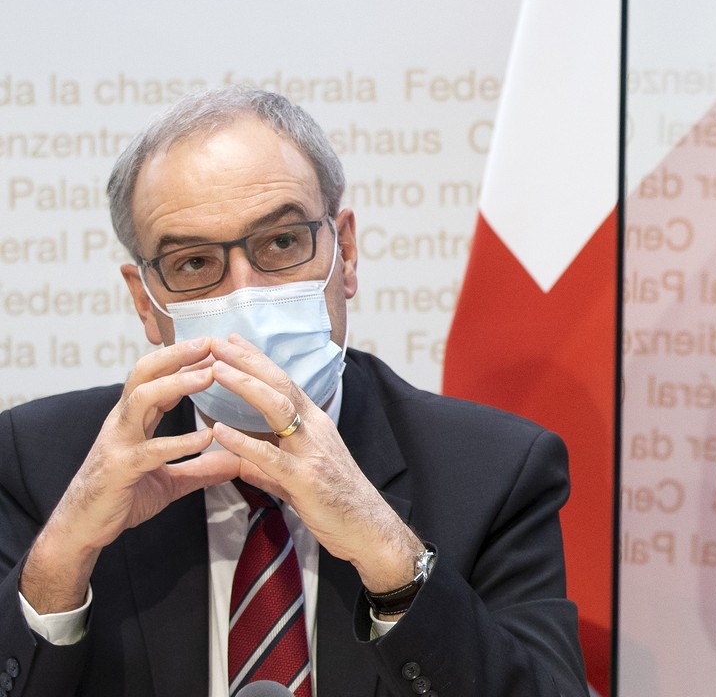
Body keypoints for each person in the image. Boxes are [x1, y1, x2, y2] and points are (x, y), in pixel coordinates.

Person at [0, 87, 586, 697]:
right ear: (146, 302)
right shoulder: (42, 464)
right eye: (195, 263)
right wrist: (58, 564)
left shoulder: (494, 470)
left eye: (281, 243)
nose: (246, 294)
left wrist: (386, 550)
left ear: (346, 252)